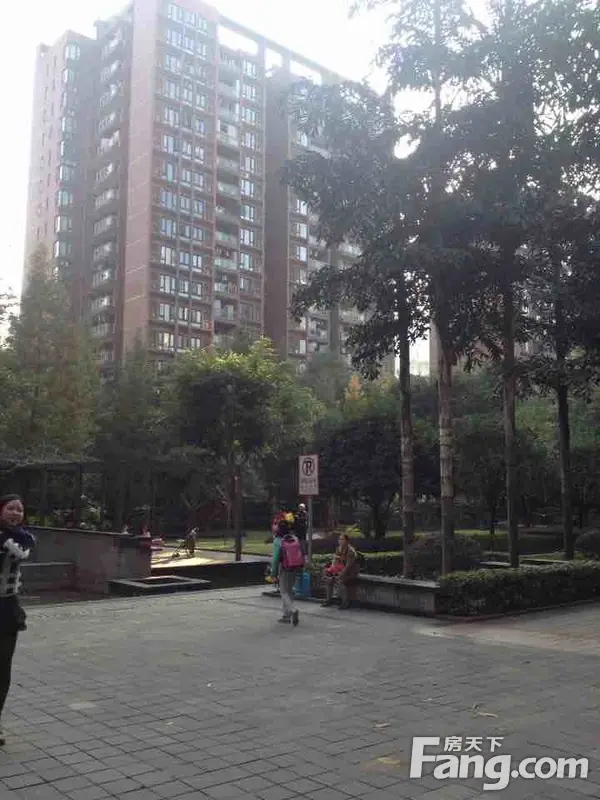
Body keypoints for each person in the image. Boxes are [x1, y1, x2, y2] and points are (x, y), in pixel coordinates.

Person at [0, 495, 35, 746]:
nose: (15, 513)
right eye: (10, 508)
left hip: (7, 609)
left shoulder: (24, 538)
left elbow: (22, 553)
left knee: (2, 669)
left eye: (19, 510)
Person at [268, 519, 304, 626]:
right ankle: (286, 615)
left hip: (284, 568)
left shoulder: (278, 541)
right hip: (294, 567)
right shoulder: (294, 538)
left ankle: (292, 610)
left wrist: (273, 573)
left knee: (283, 591)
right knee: (289, 591)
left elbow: (275, 559)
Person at [321, 533, 360, 610]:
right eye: (339, 539)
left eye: (342, 539)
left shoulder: (350, 551)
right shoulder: (338, 549)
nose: (340, 541)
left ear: (347, 541)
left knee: (340, 580)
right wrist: (331, 571)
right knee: (328, 578)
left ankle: (345, 602)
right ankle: (329, 600)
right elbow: (335, 561)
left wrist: (340, 575)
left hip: (350, 572)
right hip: (340, 570)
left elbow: (348, 566)